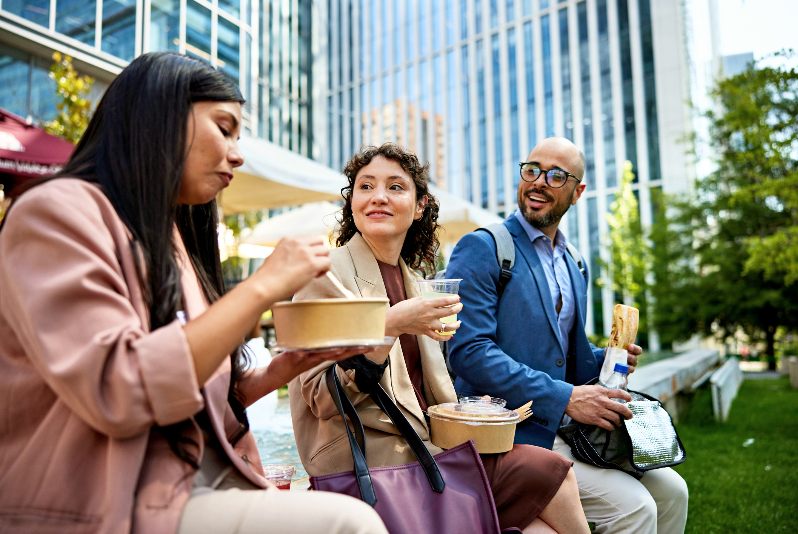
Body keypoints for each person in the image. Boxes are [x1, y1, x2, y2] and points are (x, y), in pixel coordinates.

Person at [0, 52, 387, 534]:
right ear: (159, 117)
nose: (238, 154)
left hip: (186, 481)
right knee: (347, 523)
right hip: (102, 499)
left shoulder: (170, 239)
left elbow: (188, 398)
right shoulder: (53, 214)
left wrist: (284, 369)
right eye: (224, 129)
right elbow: (120, 392)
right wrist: (261, 286)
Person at [290, 142, 590, 533]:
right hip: (372, 467)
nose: (378, 196)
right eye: (365, 186)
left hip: (432, 453)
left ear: (419, 206)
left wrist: (473, 409)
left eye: (395, 187)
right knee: (550, 472)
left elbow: (422, 393)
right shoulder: (323, 275)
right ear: (351, 203)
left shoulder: (417, 284)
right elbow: (321, 399)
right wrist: (390, 323)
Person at [445, 137, 689, 533]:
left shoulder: (575, 262)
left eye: (556, 175)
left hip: (567, 431)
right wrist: (566, 397)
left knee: (674, 491)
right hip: (510, 436)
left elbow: (564, 357)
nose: (539, 182)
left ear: (578, 192)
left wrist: (609, 357)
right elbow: (469, 352)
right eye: (532, 170)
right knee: (636, 508)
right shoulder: (484, 247)